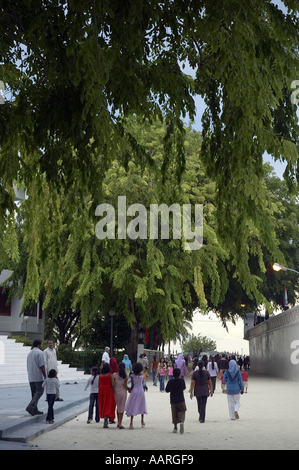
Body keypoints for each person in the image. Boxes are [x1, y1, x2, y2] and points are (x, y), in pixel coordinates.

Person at [26, 339, 47, 416]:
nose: (42, 346)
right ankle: (31, 407)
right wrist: (45, 376)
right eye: (41, 344)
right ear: (38, 345)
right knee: (39, 391)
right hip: (38, 376)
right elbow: (42, 366)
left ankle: (35, 409)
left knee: (34, 393)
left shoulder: (29, 353)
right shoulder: (40, 353)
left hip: (31, 376)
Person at [125, 362, 148, 429]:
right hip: (141, 390)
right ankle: (142, 420)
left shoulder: (132, 376)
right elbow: (141, 383)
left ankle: (131, 423)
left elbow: (132, 385)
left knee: (133, 405)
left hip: (134, 391)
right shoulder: (142, 376)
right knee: (142, 404)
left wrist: (129, 390)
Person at [165, 367, 186, 434]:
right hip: (181, 399)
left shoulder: (170, 381)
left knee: (174, 414)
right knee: (182, 411)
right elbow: (184, 388)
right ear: (179, 374)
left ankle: (175, 427)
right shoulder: (182, 381)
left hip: (173, 400)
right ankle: (182, 421)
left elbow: (167, 390)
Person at [111, 362, 129, 429]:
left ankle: (118, 422)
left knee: (118, 407)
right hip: (123, 392)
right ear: (124, 368)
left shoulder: (114, 375)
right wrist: (129, 389)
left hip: (116, 392)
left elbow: (113, 385)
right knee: (121, 407)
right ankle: (120, 423)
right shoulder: (126, 376)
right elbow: (125, 385)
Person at [98, 362, 116, 428]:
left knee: (103, 403)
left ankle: (104, 415)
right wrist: (113, 390)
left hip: (101, 389)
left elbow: (98, 384)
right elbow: (113, 384)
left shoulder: (100, 375)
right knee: (109, 404)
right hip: (108, 389)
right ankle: (107, 415)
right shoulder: (110, 375)